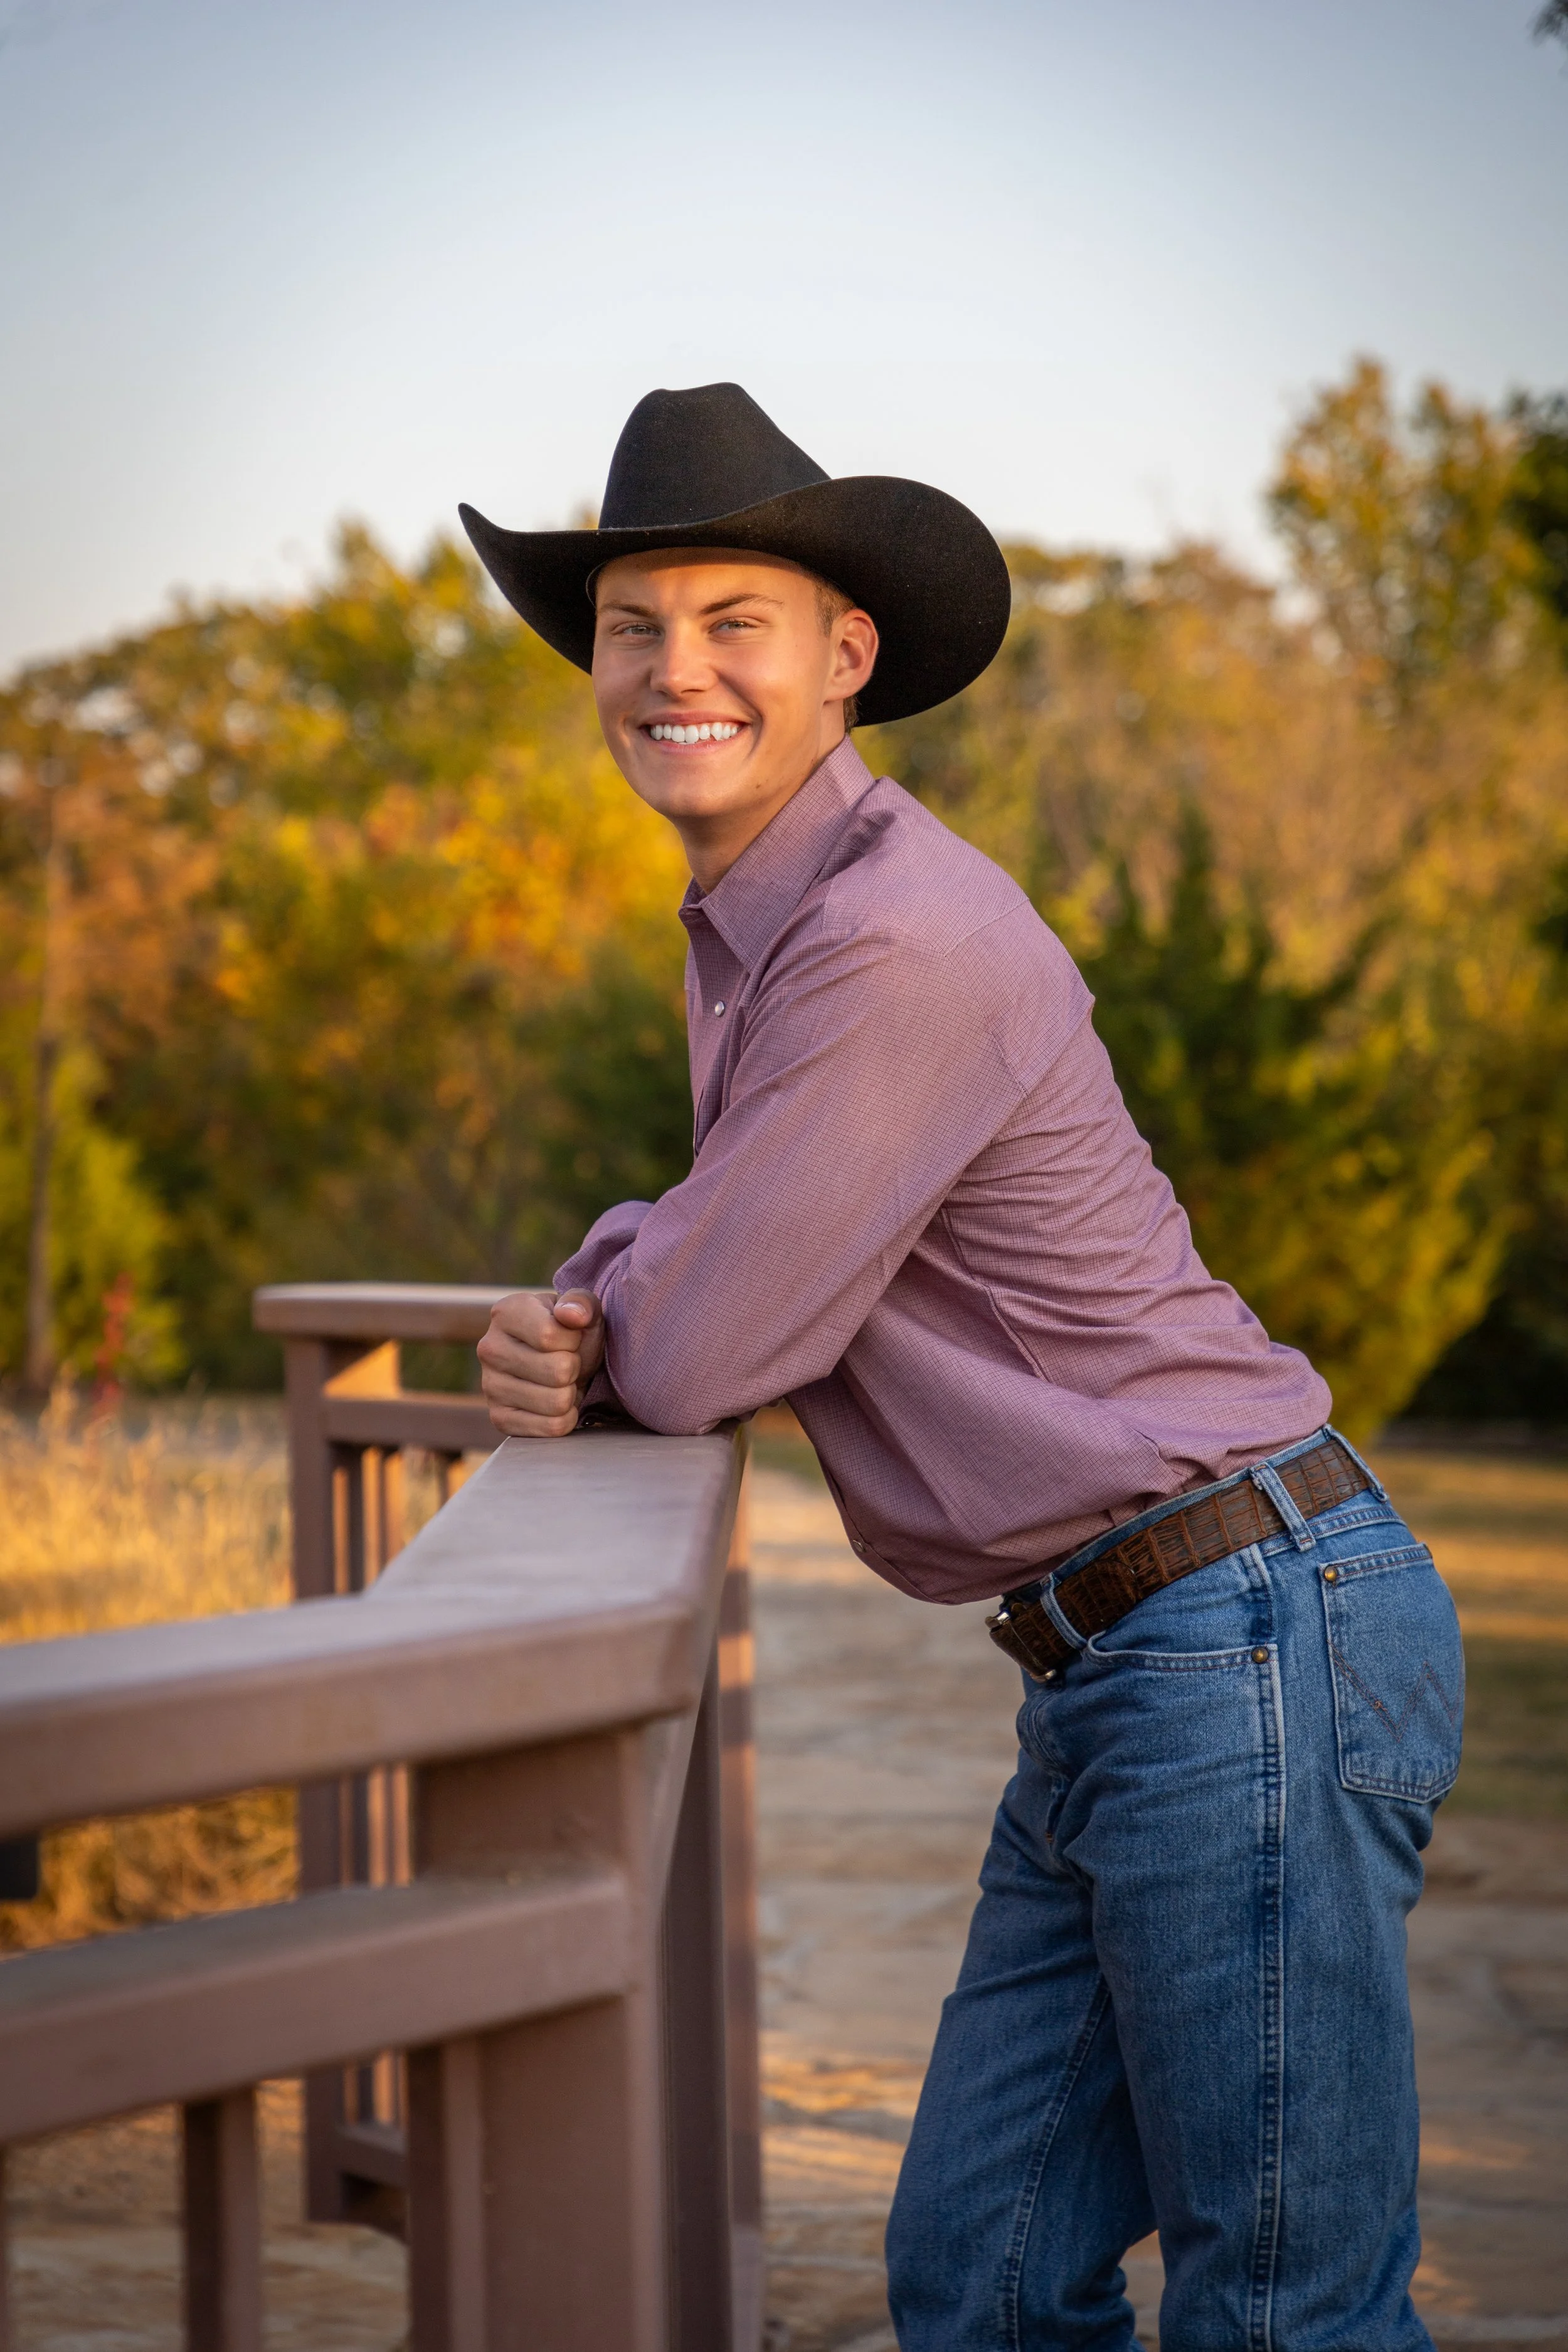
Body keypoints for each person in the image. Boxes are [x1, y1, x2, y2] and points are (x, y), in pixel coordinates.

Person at [467, 383, 1463, 2352]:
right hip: (1138, 1652)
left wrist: (602, 1297)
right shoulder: (769, 916)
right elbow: (723, 1234)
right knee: (985, 2281)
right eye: (632, 626)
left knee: (1283, 2318)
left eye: (731, 619)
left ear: (847, 657)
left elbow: (710, 1339)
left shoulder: (891, 940)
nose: (674, 670)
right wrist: (625, 1281)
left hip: (1240, 1634)